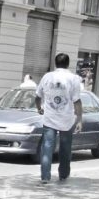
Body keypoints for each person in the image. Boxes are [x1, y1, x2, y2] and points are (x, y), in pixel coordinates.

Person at [35, 53, 83, 184]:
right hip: (66, 120)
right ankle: (63, 175)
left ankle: (45, 177)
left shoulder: (47, 77)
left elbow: (37, 96)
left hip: (49, 119)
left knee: (47, 148)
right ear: (68, 64)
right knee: (65, 148)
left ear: (55, 63)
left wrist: (39, 108)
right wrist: (79, 119)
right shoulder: (74, 79)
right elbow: (77, 101)